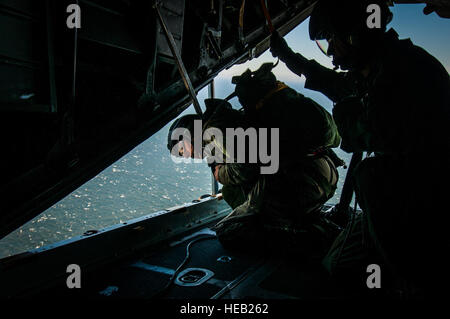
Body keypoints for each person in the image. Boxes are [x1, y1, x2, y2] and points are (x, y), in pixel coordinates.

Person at [271, 0, 450, 296]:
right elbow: (338, 83)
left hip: (429, 205)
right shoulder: (388, 63)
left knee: (371, 175)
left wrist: (347, 111)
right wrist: (289, 56)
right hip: (412, 196)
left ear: (354, 36)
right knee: (339, 265)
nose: (332, 55)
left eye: (332, 42)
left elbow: (359, 134)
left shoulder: (402, 74)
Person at [168, 62, 344, 258]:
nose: (191, 156)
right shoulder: (230, 121)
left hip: (303, 181)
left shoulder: (216, 132)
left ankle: (317, 241)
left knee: (230, 232)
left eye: (185, 150)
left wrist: (220, 173)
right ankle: (304, 221)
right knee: (240, 197)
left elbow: (247, 166)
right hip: (320, 175)